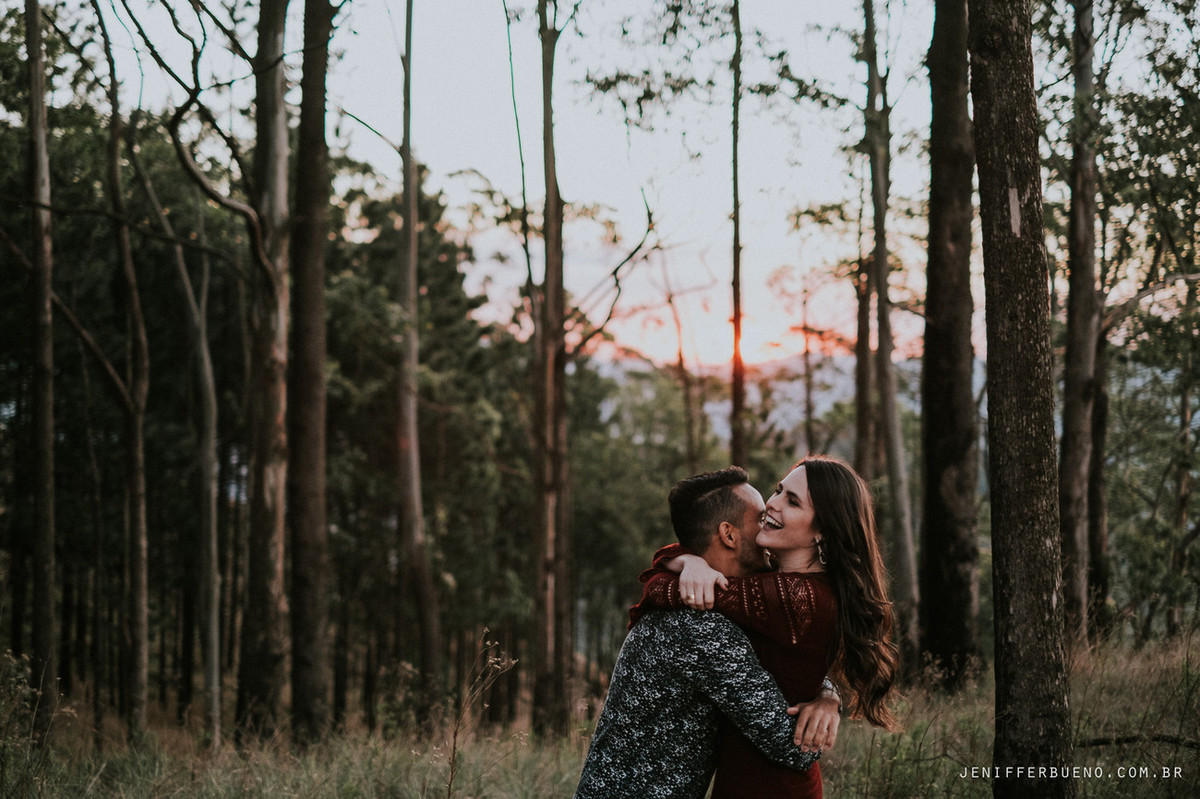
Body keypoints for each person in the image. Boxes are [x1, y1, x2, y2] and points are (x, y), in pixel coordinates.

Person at [635, 455, 899, 798]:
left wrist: (689, 565)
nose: (771, 505)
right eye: (779, 490)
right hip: (752, 776)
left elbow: (660, 588)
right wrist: (827, 693)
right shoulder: (780, 584)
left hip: (770, 785)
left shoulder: (792, 597)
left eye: (792, 502)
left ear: (822, 529)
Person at [574, 467, 841, 799]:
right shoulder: (700, 627)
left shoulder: (717, 608)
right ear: (728, 535)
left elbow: (789, 653)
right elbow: (793, 747)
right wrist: (817, 721)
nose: (769, 519)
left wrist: (827, 695)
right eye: (759, 519)